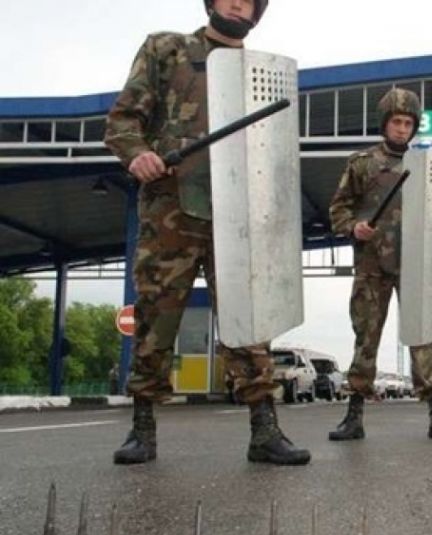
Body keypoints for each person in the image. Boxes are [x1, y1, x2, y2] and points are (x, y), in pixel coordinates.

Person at [104, 0, 310, 466]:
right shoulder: (167, 49)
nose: (238, 3)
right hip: (171, 210)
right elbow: (122, 120)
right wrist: (138, 154)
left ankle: (264, 430)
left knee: (249, 321)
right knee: (156, 318)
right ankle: (142, 428)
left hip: (239, 215)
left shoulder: (259, 74)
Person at [327, 88, 432, 442]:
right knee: (366, 337)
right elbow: (338, 209)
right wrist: (354, 227)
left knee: (422, 336)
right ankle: (353, 415)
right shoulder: (362, 164)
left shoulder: (427, 168)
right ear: (384, 123)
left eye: (408, 123)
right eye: (396, 122)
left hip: (415, 265)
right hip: (372, 265)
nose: (402, 129)